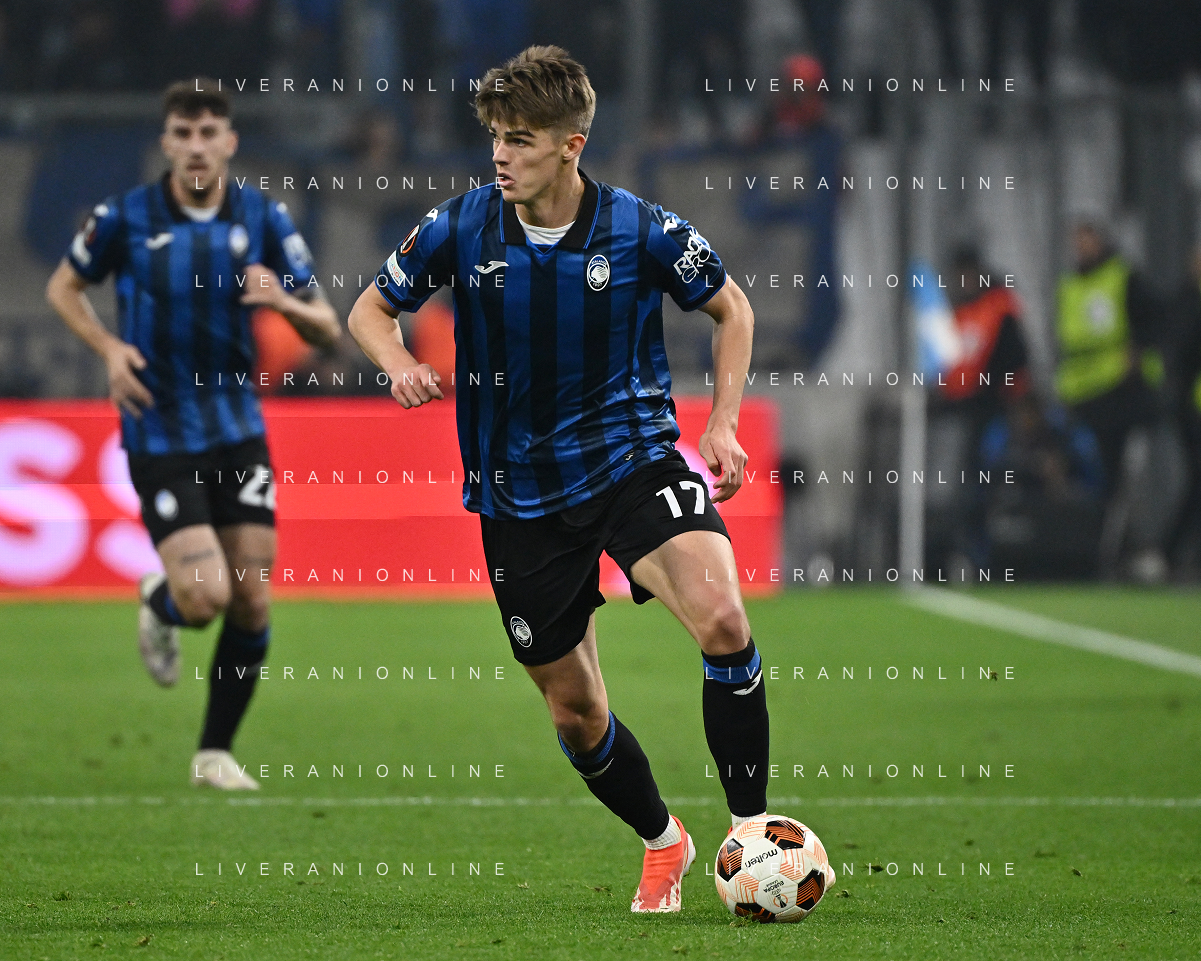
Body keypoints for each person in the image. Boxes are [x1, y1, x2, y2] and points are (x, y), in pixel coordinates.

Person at [348, 46, 769, 913]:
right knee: (575, 712)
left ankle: (753, 834)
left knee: (724, 619)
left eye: (520, 140)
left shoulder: (640, 229)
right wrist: (395, 361)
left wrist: (722, 421)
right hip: (518, 495)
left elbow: (731, 307)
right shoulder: (460, 226)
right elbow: (370, 308)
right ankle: (663, 839)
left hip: (631, 460)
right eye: (495, 137)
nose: (500, 156)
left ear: (570, 144)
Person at [45, 80, 341, 789]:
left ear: (230, 141)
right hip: (160, 426)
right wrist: (109, 349)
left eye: (209, 132)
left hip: (237, 427)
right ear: (166, 142)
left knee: (252, 599)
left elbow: (328, 328)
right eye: (183, 133)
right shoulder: (125, 216)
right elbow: (63, 287)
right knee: (205, 599)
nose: (197, 146)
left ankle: (213, 754)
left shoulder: (263, 217)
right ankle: (162, 601)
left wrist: (282, 301)